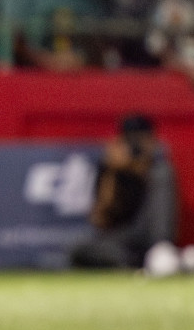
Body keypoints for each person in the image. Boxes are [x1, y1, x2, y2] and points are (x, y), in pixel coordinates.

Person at [70, 115, 182, 273]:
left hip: (152, 237)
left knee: (161, 173)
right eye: (130, 140)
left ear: (152, 141)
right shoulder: (110, 169)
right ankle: (138, 263)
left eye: (140, 140)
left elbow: (160, 225)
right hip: (124, 240)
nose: (135, 146)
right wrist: (113, 172)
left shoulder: (159, 169)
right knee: (80, 248)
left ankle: (160, 256)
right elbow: (100, 221)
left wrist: (140, 169)